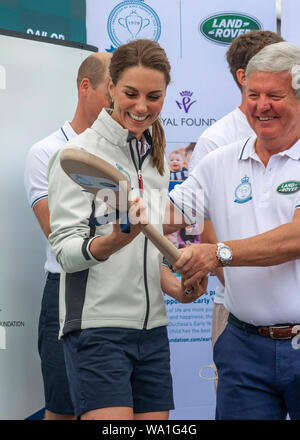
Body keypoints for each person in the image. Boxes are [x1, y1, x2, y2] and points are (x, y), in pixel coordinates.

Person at [47, 39, 207, 421]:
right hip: (96, 330)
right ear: (111, 88)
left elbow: (148, 256)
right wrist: (115, 241)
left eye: (154, 96)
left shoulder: (155, 159)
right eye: (131, 93)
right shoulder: (77, 155)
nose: (141, 106)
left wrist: (174, 286)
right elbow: (66, 252)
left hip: (153, 332)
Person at [165, 41, 300, 420]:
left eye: (274, 95)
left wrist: (218, 253)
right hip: (244, 347)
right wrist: (119, 204)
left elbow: (295, 237)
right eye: (253, 94)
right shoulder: (219, 161)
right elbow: (169, 215)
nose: (261, 105)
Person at [24, 51, 112, 420]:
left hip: (119, 294)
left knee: (116, 409)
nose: (122, 101)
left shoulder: (127, 150)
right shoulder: (46, 152)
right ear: (85, 86)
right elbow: (59, 235)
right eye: (114, 89)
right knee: (62, 409)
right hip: (66, 290)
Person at [188, 30, 284, 353]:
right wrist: (243, 298)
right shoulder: (217, 141)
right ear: (244, 77)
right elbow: (205, 226)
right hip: (237, 314)